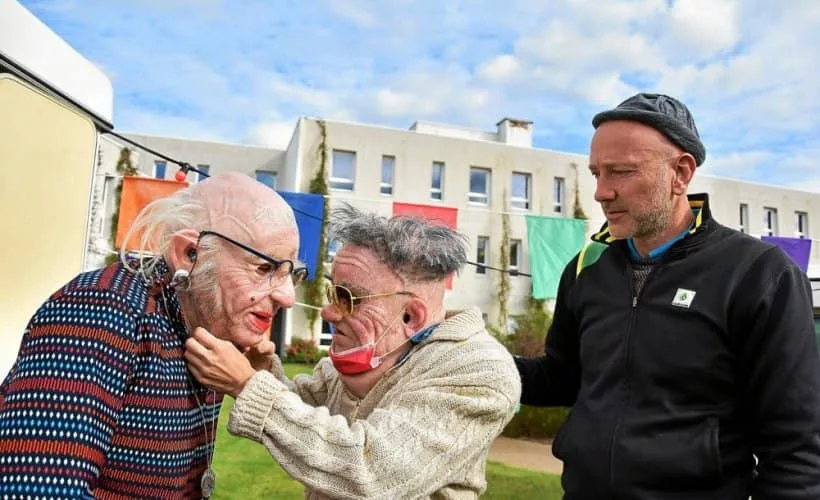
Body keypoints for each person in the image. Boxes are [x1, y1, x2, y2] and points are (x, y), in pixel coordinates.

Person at [515, 93, 820, 499]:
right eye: (596, 173)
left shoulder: (758, 273)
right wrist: (474, 358)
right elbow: (562, 378)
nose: (601, 192)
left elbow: (796, 448)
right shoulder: (586, 267)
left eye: (621, 172)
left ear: (681, 173)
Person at [0, 172, 305, 498]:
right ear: (189, 254)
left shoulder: (205, 328)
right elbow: (34, 489)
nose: (287, 297)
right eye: (263, 268)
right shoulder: (103, 310)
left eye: (291, 273)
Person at [185, 204, 521, 499]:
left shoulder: (479, 371)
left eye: (348, 298)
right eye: (333, 293)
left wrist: (247, 385)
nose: (329, 312)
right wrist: (262, 374)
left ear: (411, 316)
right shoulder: (356, 357)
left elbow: (372, 473)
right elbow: (306, 415)